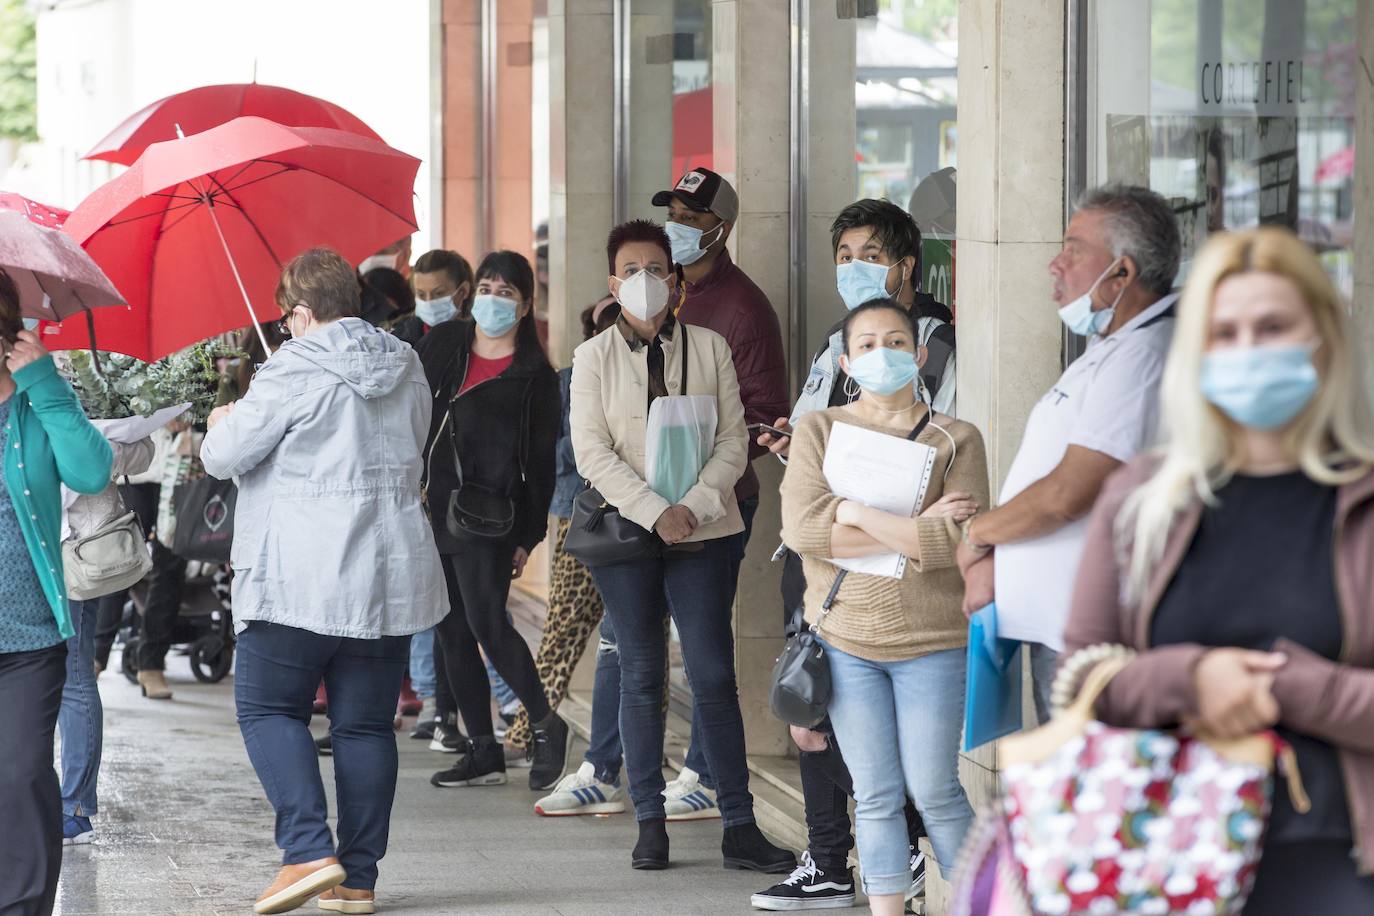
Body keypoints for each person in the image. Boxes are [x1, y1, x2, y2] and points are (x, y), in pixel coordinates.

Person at [1061, 228, 1374, 914]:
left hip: (1339, 863)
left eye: (1272, 327)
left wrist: (1291, 688)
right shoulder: (1142, 498)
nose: (1246, 350)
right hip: (1162, 855)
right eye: (1223, 332)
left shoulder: (1364, 501)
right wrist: (1194, 678)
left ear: (1324, 338)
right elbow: (1082, 678)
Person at [201, 247, 447, 916]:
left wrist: (226, 418)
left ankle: (308, 848)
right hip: (387, 574)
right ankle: (356, 880)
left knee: (266, 707)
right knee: (365, 727)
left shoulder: (292, 368)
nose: (283, 330)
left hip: (301, 577)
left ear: (304, 313)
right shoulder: (406, 364)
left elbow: (223, 457)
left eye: (286, 319)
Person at [570, 218, 795, 874]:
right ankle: (650, 822)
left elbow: (734, 438)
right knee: (640, 674)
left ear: (675, 281)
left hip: (705, 532)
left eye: (655, 270)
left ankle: (739, 825)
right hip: (627, 534)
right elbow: (592, 452)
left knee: (714, 673)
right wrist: (652, 512)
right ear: (614, 284)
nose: (645, 281)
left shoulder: (710, 348)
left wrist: (690, 509)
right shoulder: (593, 359)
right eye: (631, 271)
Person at [752, 200, 958, 909]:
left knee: (901, 753)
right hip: (819, 566)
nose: (852, 269)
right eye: (842, 256)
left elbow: (935, 465)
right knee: (809, 710)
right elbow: (813, 457)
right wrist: (794, 444)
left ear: (904, 267)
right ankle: (829, 858)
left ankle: (904, 852)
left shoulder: (936, 343)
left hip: (894, 577)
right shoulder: (832, 347)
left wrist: (846, 506)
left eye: (867, 255)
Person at [779, 299, 987, 915]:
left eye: (896, 342)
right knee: (874, 795)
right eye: (866, 345)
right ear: (845, 361)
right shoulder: (820, 429)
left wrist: (851, 509)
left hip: (933, 641)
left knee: (937, 790)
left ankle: (990, 900)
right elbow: (804, 531)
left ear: (920, 354)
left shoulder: (959, 437)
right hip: (845, 640)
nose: (882, 354)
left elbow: (954, 544)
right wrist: (912, 527)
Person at [954, 184, 1182, 722]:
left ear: (1122, 274)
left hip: (1093, 638)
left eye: (1074, 248)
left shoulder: (1144, 355)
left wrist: (977, 535)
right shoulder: (1116, 347)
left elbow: (1068, 491)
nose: (1055, 264)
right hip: (1062, 627)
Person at [651, 166, 791, 817]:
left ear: (721, 229)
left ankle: (707, 773)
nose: (676, 227)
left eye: (690, 217)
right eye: (672, 213)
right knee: (659, 642)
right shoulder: (669, 295)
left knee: (705, 641)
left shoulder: (743, 309)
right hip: (654, 502)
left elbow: (765, 417)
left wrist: (705, 477)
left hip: (715, 500)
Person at [413, 250, 565, 791]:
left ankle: (547, 723)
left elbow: (541, 467)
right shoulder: (448, 345)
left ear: (525, 306)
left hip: (489, 518)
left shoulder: (535, 378)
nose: (493, 299)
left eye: (506, 292)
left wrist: (530, 535)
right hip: (434, 510)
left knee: (486, 623)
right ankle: (482, 748)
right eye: (487, 287)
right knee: (451, 631)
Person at [0, 268, 113, 916]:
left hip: (30, 633)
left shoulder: (36, 402)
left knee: (19, 774)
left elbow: (92, 469)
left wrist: (44, 383)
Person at [509, 296, 626, 803]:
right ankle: (528, 726)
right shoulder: (571, 379)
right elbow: (560, 454)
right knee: (564, 624)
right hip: (581, 517)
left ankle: (614, 750)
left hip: (638, 522)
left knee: (631, 645)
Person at [58, 431, 155, 847]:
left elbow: (144, 451)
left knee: (74, 677)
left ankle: (74, 808)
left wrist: (90, 447)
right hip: (16, 545)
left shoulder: (73, 381)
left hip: (72, 550)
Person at [390, 249, 474, 346]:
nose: (428, 301)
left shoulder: (478, 339)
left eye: (439, 293)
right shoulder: (398, 340)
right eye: (421, 294)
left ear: (463, 291)